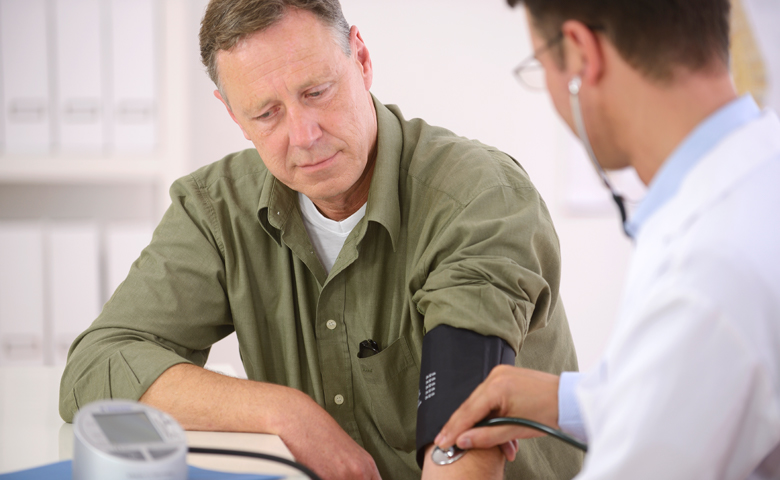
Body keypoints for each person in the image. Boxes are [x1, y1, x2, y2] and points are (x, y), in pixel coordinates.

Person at [59, 1, 583, 479]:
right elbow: (98, 364)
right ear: (233, 115)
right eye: (266, 113)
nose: (304, 135)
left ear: (361, 59)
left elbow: (463, 425)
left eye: (316, 92)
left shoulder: (478, 196)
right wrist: (282, 412)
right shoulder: (216, 209)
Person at [435, 0, 780, 478]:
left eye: (541, 63)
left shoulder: (703, 273)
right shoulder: (760, 173)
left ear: (581, 52)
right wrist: (570, 400)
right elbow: (704, 391)